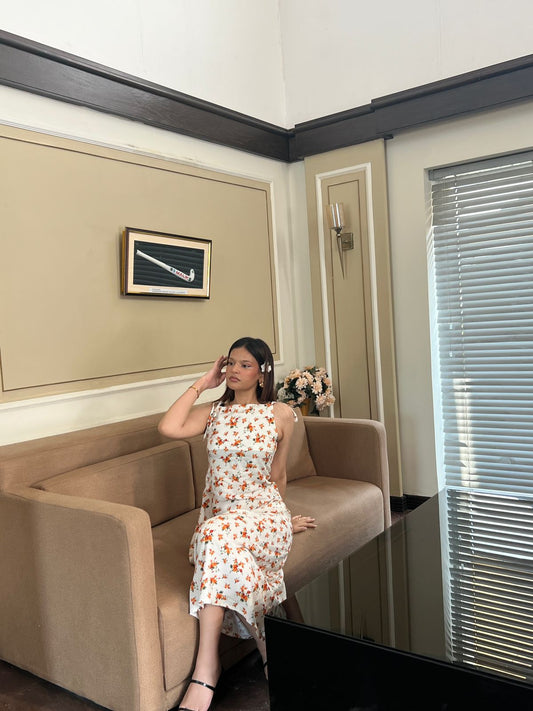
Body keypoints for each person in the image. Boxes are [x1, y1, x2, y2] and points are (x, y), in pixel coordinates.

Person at [158, 336, 315, 711]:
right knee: (217, 540)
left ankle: (205, 671)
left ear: (262, 374)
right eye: (230, 362)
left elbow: (278, 476)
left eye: (245, 365)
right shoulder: (213, 413)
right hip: (221, 521)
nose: (233, 370)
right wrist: (203, 383)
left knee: (213, 538)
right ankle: (270, 651)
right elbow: (168, 427)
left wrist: (280, 522)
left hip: (263, 515)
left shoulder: (280, 414)